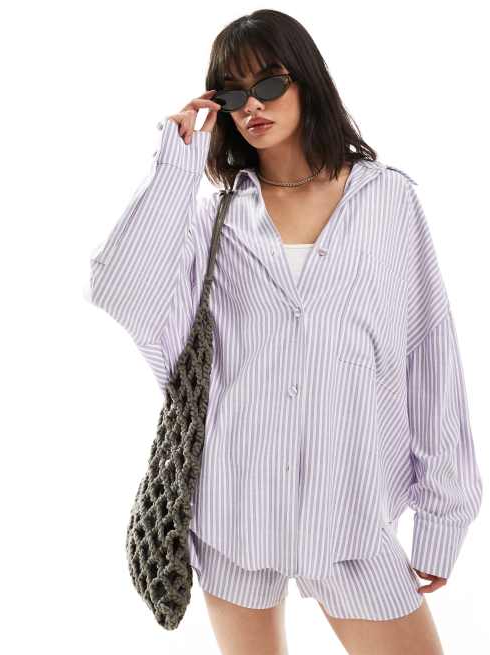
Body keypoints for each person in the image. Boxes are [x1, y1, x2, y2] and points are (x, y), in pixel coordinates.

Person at [87, 9, 483, 655]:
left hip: (352, 517)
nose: (252, 105)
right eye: (233, 93)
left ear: (306, 80)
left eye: (269, 84)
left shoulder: (387, 201)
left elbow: (430, 357)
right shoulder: (215, 219)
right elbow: (122, 287)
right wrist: (175, 167)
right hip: (234, 513)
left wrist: (442, 516)